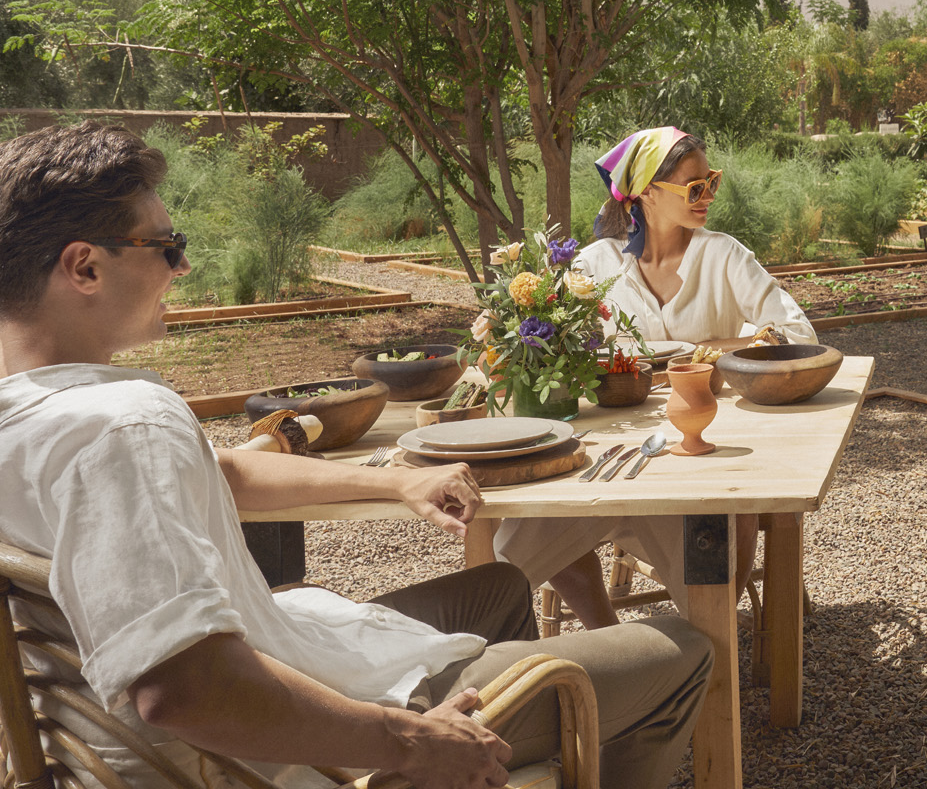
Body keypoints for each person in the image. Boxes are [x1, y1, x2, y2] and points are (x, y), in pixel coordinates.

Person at [0, 122, 712, 789]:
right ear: (84, 267)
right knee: (684, 649)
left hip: (183, 704)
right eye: (166, 245)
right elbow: (182, 691)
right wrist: (409, 742)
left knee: (496, 587)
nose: (183, 267)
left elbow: (228, 472)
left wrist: (395, 483)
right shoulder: (125, 429)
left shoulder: (36, 412)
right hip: (261, 752)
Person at [494, 128, 815, 630]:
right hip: (615, 443)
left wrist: (712, 353)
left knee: (730, 529)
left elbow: (797, 332)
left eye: (711, 182)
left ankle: (707, 641)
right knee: (528, 529)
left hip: (706, 440)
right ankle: (611, 639)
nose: (707, 197)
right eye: (694, 187)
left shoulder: (724, 255)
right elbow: (561, 346)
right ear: (645, 192)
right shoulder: (596, 265)